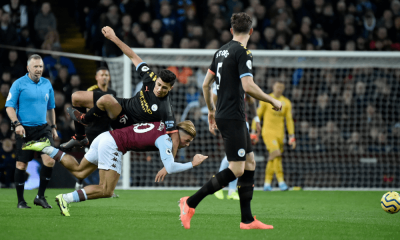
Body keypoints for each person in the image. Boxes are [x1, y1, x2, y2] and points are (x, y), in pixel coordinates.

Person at [179, 12, 282, 230]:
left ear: (231, 31)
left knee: (250, 163)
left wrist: (210, 110)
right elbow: (248, 86)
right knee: (236, 169)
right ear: (251, 32)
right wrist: (272, 99)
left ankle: (247, 220)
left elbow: (205, 85)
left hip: (228, 114)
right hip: (233, 116)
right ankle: (189, 202)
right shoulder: (244, 52)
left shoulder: (220, 52)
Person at [23, 120, 207, 216]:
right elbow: (171, 167)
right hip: (114, 145)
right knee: (106, 190)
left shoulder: (163, 126)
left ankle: (45, 148)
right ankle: (65, 198)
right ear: (179, 134)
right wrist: (193, 163)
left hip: (106, 137)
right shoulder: (165, 140)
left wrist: (168, 164)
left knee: (79, 170)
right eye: (187, 140)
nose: (187, 145)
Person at [63, 26, 180, 157]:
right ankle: (80, 137)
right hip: (122, 105)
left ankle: (85, 119)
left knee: (107, 98)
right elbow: (132, 55)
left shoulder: (166, 107)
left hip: (126, 123)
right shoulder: (150, 77)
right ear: (156, 79)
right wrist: (113, 37)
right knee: (76, 97)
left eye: (164, 88)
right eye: (158, 84)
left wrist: (169, 164)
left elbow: (174, 138)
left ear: (171, 88)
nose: (159, 89)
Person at [5, 54, 58, 208]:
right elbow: (9, 106)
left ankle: (40, 196)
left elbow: (51, 108)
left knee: (50, 160)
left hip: (43, 129)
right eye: (35, 66)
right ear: (28, 68)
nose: (38, 69)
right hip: (24, 129)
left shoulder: (47, 84)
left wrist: (53, 127)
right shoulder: (18, 84)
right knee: (22, 165)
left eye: (40, 66)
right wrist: (17, 124)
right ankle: (21, 201)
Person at [62, 67, 117, 190]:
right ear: (96, 77)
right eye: (102, 75)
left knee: (106, 159)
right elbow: (86, 110)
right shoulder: (92, 91)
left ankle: (105, 187)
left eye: (106, 75)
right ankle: (80, 181)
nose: (104, 77)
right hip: (91, 132)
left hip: (105, 132)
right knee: (88, 160)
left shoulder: (113, 93)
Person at [212, 83, 261, 200]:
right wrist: (215, 116)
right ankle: (218, 185)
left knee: (238, 158)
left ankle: (230, 190)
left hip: (243, 123)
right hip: (229, 122)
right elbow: (213, 97)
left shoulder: (244, 81)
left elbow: (251, 101)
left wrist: (256, 119)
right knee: (234, 158)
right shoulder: (222, 80)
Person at [252, 80, 296, 191]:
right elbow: (258, 115)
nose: (279, 89)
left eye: (281, 87)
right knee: (277, 154)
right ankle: (281, 182)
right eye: (277, 87)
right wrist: (253, 131)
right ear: (273, 87)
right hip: (268, 132)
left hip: (280, 135)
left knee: (274, 158)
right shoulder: (266, 99)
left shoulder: (286, 102)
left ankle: (267, 183)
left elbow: (289, 120)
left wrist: (291, 136)